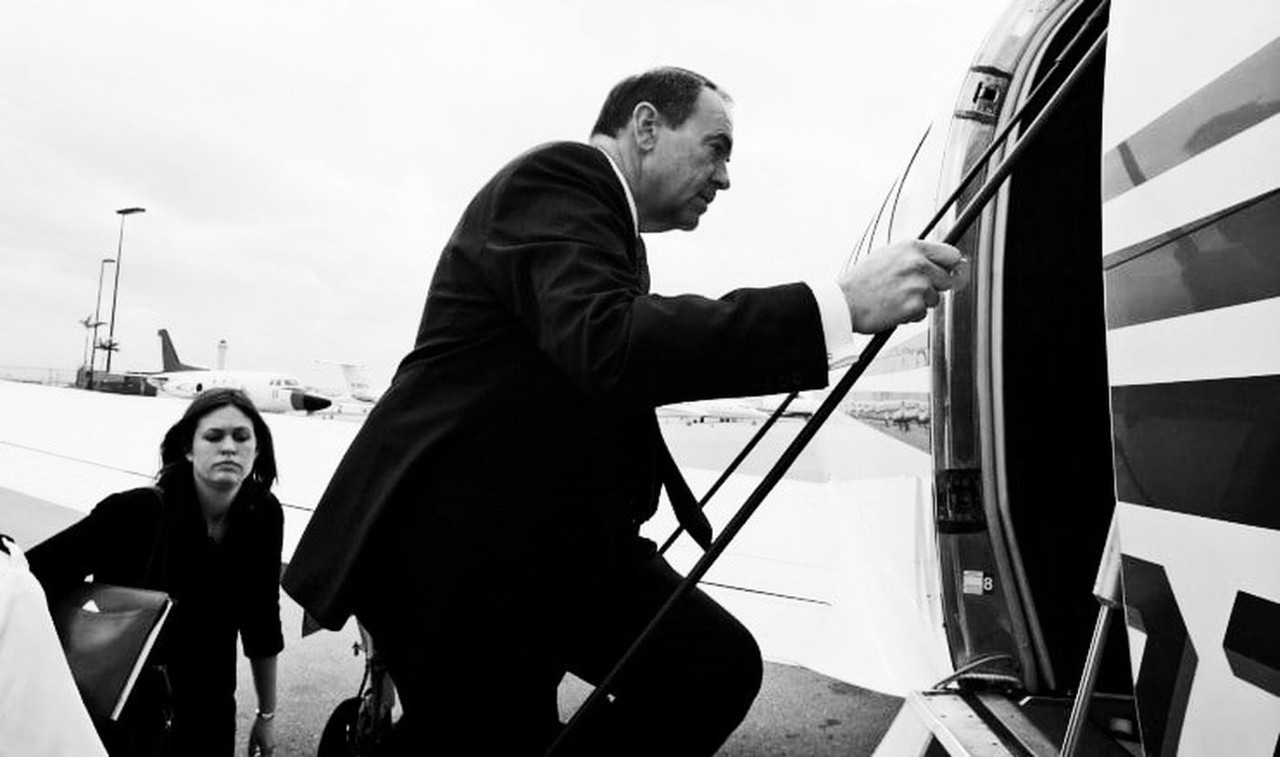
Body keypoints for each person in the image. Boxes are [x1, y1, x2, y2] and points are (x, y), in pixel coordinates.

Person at [283, 66, 963, 755]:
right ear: (644, 127)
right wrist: (835, 307)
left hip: (552, 549)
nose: (724, 177)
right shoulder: (560, 179)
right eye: (716, 147)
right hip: (463, 557)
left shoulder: (610, 231)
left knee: (710, 666)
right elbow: (610, 345)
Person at [29, 388, 284, 757]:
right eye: (213, 436)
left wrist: (267, 714)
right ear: (188, 448)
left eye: (242, 437)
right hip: (129, 708)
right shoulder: (134, 513)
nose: (229, 447)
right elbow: (33, 573)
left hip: (210, 709)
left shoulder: (263, 515)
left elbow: (262, 620)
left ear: (257, 450)